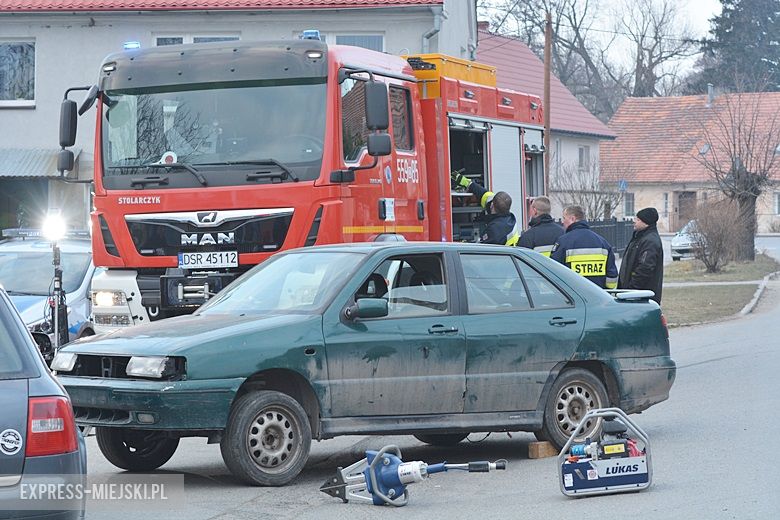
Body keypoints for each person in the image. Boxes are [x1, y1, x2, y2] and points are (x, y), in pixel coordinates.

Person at [551, 205, 618, 289]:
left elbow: (554, 271)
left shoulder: (563, 242)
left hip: (574, 296)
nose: (562, 222)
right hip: (599, 297)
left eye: (564, 218)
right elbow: (612, 278)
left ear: (572, 219)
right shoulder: (602, 242)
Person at [451, 170, 519, 245]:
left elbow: (481, 248)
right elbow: (484, 194)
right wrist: (466, 182)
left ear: (492, 205)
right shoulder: (510, 218)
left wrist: (463, 244)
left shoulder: (495, 229)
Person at [618, 207, 664, 304]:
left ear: (646, 222)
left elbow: (645, 268)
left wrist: (631, 289)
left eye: (638, 219)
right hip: (634, 295)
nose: (634, 222)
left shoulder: (650, 241)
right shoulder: (639, 237)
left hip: (641, 297)